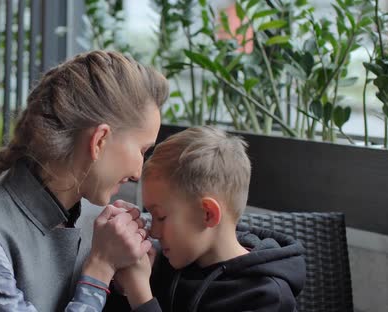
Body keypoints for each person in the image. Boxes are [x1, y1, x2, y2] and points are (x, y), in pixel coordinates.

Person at [0, 50, 169, 311]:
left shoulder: (105, 226)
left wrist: (130, 282)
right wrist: (100, 269)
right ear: (99, 141)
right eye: (142, 151)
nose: (138, 173)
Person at [113, 126, 306, 311]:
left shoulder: (266, 297)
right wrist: (125, 288)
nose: (153, 232)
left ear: (208, 214)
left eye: (161, 217)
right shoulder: (170, 263)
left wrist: (140, 295)